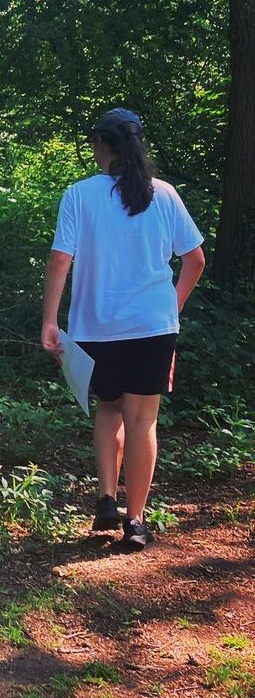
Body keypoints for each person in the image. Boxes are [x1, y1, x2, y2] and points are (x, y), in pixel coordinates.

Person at [41, 108, 205, 550]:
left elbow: (60, 260)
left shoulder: (79, 195)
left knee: (109, 410)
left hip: (95, 327)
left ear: (101, 144)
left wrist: (50, 321)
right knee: (141, 419)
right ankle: (135, 522)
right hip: (152, 326)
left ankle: (106, 500)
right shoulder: (165, 195)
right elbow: (195, 259)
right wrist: (170, 307)